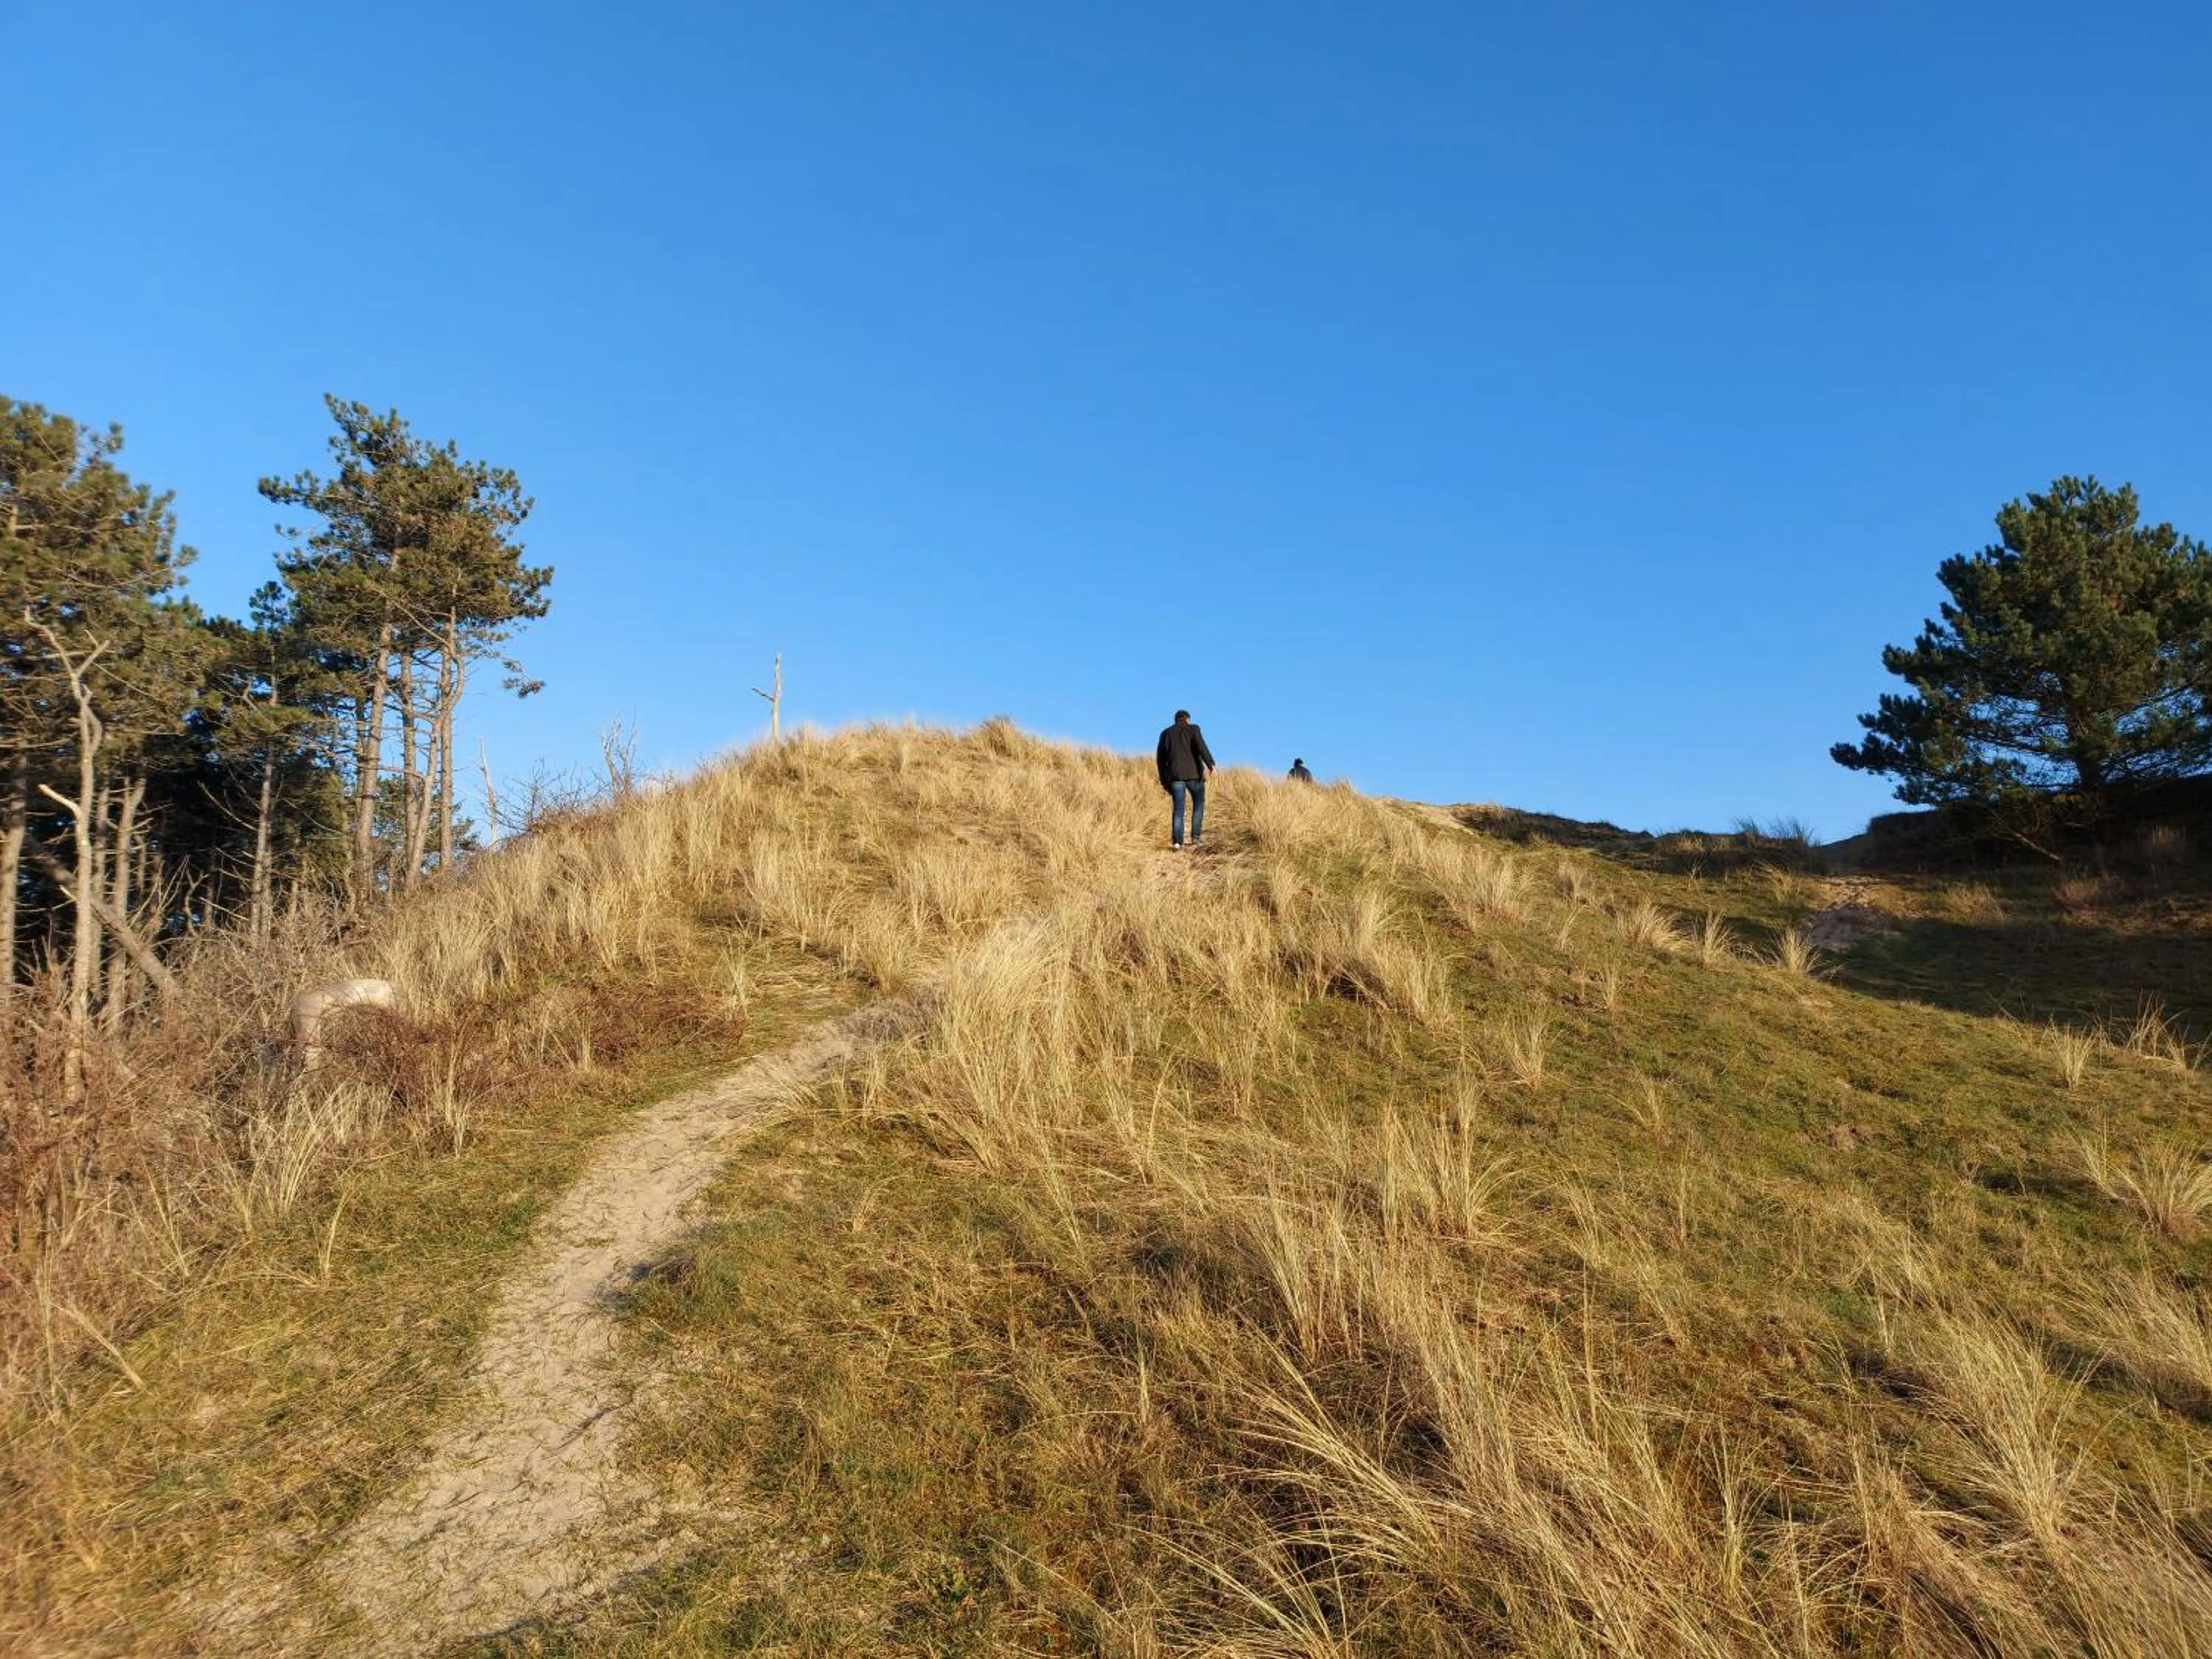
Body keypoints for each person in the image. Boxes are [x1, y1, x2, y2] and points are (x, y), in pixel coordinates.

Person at [1155, 709, 1216, 849]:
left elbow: (1160, 759)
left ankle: (1177, 843)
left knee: (1178, 809)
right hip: (1194, 775)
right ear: (1188, 719)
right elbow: (1201, 746)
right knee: (1199, 804)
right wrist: (1210, 764)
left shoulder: (1166, 733)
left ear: (1176, 720)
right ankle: (1196, 838)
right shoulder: (1194, 729)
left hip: (1175, 777)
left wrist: (1164, 779)